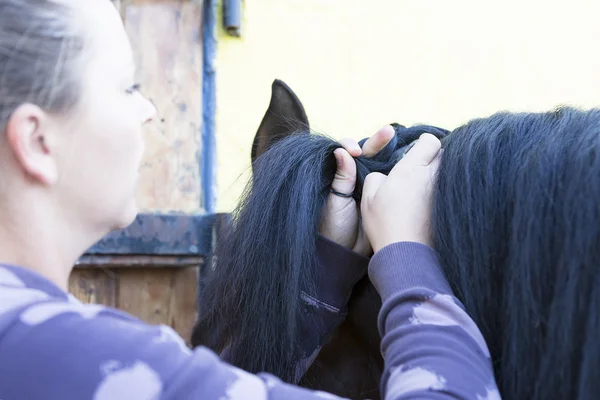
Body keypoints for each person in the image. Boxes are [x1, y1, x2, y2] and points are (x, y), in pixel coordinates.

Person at [0, 0, 497, 399]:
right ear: (39, 142)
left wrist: (321, 267)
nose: (149, 110)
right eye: (127, 87)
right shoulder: (74, 357)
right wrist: (409, 255)